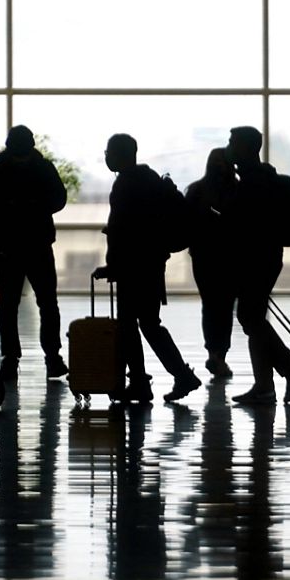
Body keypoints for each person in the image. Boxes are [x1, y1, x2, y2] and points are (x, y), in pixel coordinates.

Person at [93, 133, 201, 403]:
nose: (106, 157)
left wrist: (113, 266)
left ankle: (146, 381)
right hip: (151, 262)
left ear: (121, 154)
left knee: (131, 325)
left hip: (134, 266)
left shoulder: (126, 185)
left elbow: (121, 231)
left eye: (109, 151)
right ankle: (171, 376)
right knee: (148, 324)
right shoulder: (151, 180)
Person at [224, 126, 290, 405]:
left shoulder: (250, 183)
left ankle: (289, 367)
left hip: (254, 258)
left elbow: (241, 224)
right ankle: (264, 385)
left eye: (232, 143)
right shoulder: (265, 179)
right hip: (266, 256)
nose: (228, 147)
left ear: (245, 148)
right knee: (253, 317)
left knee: (250, 317)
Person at [0, 124, 69, 380]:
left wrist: (8, 207)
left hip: (8, 243)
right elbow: (59, 199)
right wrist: (36, 206)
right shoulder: (43, 168)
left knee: (9, 304)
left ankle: (10, 357)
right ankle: (52, 356)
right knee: (47, 302)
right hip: (38, 242)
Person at [184, 147, 238, 380]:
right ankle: (219, 356)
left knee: (210, 304)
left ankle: (213, 351)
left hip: (203, 257)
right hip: (230, 258)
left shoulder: (196, 191)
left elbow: (185, 222)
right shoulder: (238, 190)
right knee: (225, 307)